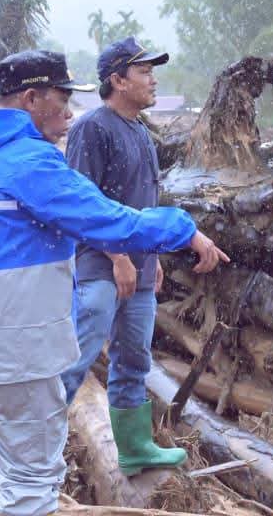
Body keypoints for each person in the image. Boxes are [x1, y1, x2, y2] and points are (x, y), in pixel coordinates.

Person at [0, 49, 228, 516]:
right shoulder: (28, 164)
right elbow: (110, 222)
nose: (68, 112)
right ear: (30, 98)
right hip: (16, 354)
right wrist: (183, 229)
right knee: (31, 483)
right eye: (61, 99)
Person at [60, 37, 188, 476]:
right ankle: (32, 440)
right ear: (117, 79)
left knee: (134, 358)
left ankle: (135, 448)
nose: (153, 80)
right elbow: (83, 201)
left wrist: (154, 258)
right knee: (77, 354)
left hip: (140, 268)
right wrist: (118, 258)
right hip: (100, 266)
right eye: (144, 72)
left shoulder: (141, 132)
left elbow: (147, 205)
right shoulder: (91, 128)